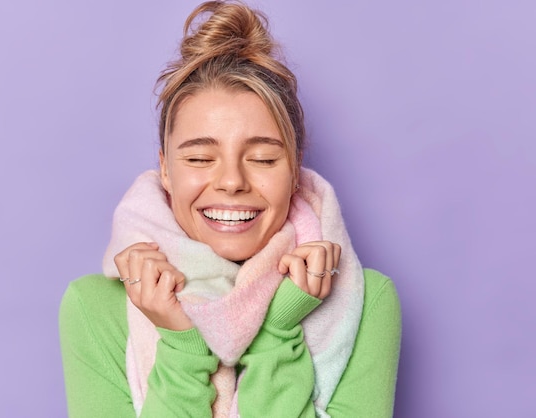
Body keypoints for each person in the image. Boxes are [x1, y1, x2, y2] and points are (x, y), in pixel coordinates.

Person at [59, 1, 401, 416]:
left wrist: (278, 332)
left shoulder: (364, 302)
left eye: (262, 159)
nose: (232, 181)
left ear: (295, 170)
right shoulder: (95, 308)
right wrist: (182, 345)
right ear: (165, 170)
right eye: (200, 159)